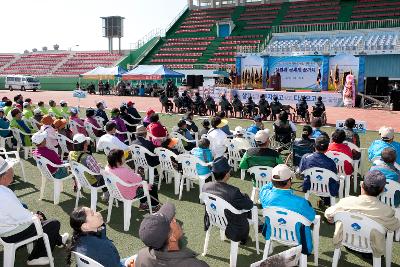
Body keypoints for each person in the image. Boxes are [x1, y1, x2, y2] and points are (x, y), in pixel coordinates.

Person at [0, 157, 68, 266]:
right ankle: (36, 256)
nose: (13, 171)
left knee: (39, 216)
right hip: (12, 232)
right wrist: (34, 217)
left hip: (4, 228)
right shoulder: (4, 193)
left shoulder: (3, 191)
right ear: (4, 176)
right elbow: (23, 217)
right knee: (53, 224)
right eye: (10, 169)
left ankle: (58, 239)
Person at [325, 170, 400, 258]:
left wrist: (333, 218)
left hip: (347, 241)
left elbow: (328, 213)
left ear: (362, 185)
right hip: (371, 247)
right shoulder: (386, 210)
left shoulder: (346, 201)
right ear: (382, 190)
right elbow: (395, 226)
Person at [259, 164, 316, 255]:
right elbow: (312, 217)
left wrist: (275, 180)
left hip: (272, 232)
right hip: (297, 238)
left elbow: (264, 188)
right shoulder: (301, 202)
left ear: (272, 181)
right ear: (289, 182)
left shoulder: (265, 195)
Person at [135, 202, 209, 267]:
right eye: (172, 220)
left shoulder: (142, 256)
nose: (175, 220)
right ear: (172, 237)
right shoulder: (195, 265)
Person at [203, 157, 254, 244]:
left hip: (214, 217)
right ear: (227, 174)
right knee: (246, 202)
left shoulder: (205, 186)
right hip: (231, 223)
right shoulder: (233, 191)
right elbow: (249, 205)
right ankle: (243, 237)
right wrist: (244, 196)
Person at [300, 135, 338, 205]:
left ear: (314, 146)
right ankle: (327, 200)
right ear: (327, 149)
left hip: (309, 185)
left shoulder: (305, 157)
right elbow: (334, 177)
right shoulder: (331, 162)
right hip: (327, 189)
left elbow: (301, 171)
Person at [69, 134, 108, 200]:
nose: (88, 144)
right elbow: (98, 172)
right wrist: (101, 168)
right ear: (84, 145)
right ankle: (107, 194)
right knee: (104, 174)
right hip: (91, 182)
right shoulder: (88, 157)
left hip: (80, 179)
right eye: (86, 143)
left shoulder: (70, 153)